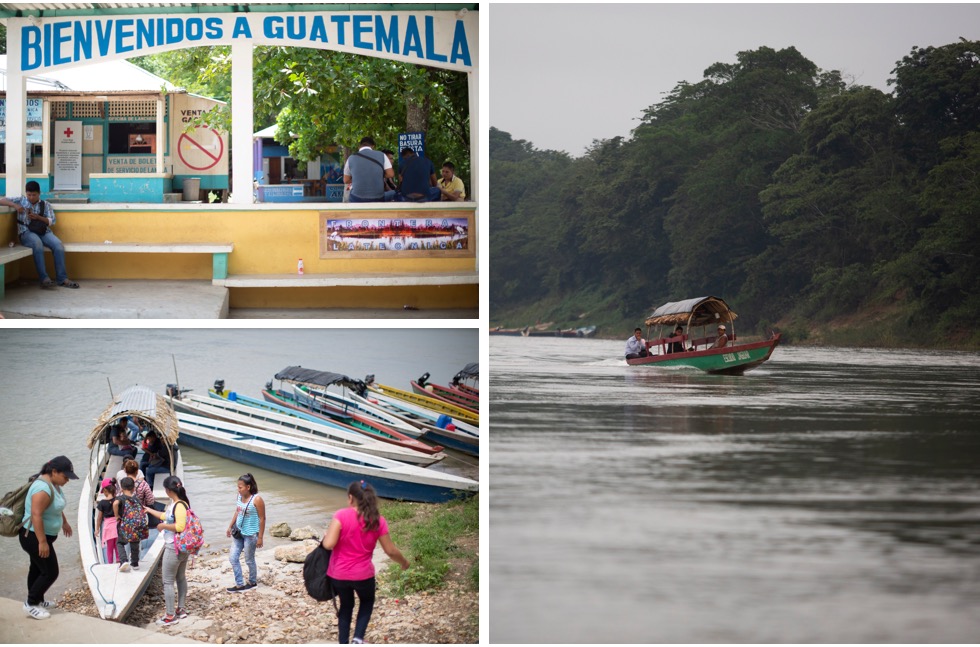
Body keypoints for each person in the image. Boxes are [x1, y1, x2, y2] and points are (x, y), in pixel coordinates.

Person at [322, 481, 409, 645]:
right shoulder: (377, 520)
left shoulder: (341, 515)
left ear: (350, 498)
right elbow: (390, 551)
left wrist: (328, 535)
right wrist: (404, 562)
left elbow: (329, 544)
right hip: (363, 575)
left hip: (339, 574)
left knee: (346, 605)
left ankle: (343, 642)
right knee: (367, 602)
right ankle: (357, 639)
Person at [19, 455, 77, 620]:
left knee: (37, 568)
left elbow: (55, 506)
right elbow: (36, 515)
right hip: (33, 537)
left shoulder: (54, 484)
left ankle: (39, 599)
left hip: (41, 536)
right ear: (54, 471)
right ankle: (30, 604)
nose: (68, 480)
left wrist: (64, 522)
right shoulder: (42, 488)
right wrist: (42, 542)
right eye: (65, 476)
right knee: (51, 572)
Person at [0, 181, 79, 289]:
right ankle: (44, 279)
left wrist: (38, 217)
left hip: (43, 232)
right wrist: (15, 205)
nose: (31, 197)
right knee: (37, 244)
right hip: (26, 232)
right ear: (26, 193)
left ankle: (62, 278)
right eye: (29, 195)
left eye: (34, 195)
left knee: (58, 246)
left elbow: (52, 221)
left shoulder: (45, 204)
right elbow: (2, 200)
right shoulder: (21, 200)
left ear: (39, 194)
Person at [146, 475, 192, 626]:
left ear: (167, 490)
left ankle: (170, 616)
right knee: (180, 578)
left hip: (174, 547)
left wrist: (162, 526)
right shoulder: (181, 503)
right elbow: (165, 516)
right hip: (183, 547)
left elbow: (179, 526)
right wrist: (149, 510)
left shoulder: (178, 505)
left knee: (167, 581)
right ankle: (181, 609)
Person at [225, 473, 266, 592]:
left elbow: (262, 518)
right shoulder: (239, 496)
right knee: (233, 558)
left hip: (251, 534)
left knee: (249, 559)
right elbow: (238, 511)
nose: (238, 489)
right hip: (239, 532)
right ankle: (239, 584)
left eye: (240, 487)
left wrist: (260, 538)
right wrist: (230, 526)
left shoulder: (257, 499)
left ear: (248, 487)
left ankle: (252, 582)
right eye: (237, 487)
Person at [343, 136, 394, 203]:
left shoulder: (351, 158)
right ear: (373, 146)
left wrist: (358, 179)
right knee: (394, 193)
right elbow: (391, 174)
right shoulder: (382, 155)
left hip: (357, 198)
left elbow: (346, 180)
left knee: (349, 191)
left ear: (359, 146)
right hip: (377, 198)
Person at [114, 477, 147, 572]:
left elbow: (115, 504)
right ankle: (135, 563)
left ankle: (123, 560)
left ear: (121, 488)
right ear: (133, 488)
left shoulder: (121, 498)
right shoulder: (136, 499)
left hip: (125, 525)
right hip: (136, 526)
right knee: (134, 543)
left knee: (120, 542)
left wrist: (116, 515)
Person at [95, 478, 119, 565]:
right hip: (117, 526)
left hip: (108, 527)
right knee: (117, 546)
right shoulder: (118, 500)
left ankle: (110, 563)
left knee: (109, 548)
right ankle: (119, 561)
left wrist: (97, 529)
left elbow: (99, 518)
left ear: (105, 490)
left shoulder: (102, 503)